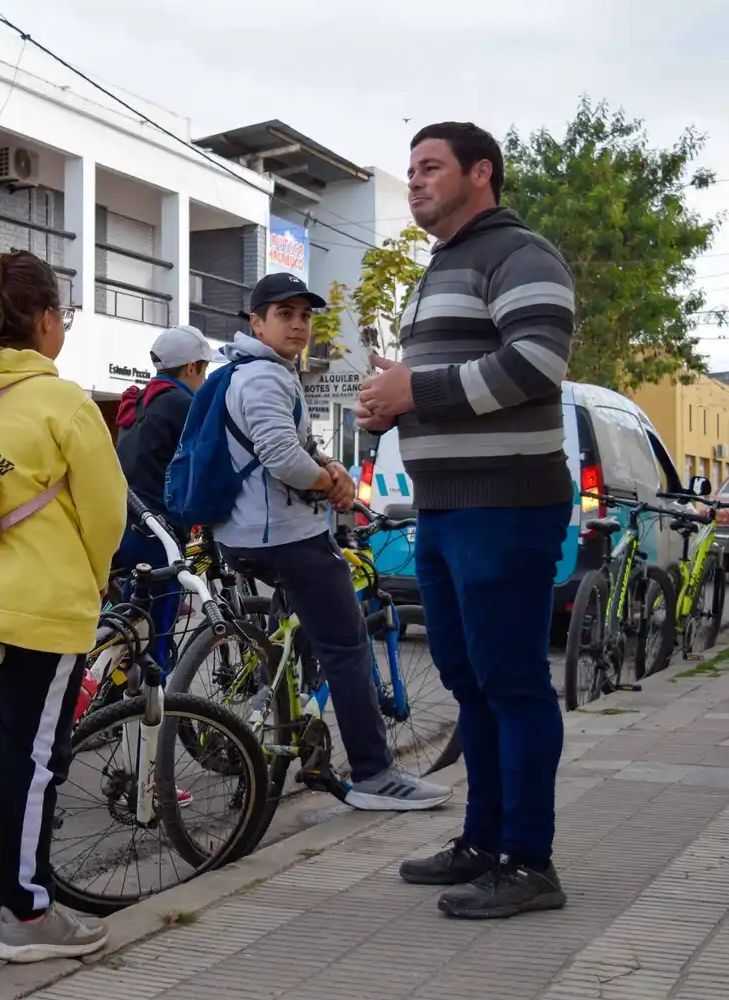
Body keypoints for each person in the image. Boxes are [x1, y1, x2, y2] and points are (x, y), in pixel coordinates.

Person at [358, 122, 575, 919]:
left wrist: (417, 390)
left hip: (507, 503)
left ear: (481, 173)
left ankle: (529, 861)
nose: (415, 180)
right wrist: (394, 400)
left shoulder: (520, 254)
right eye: (410, 167)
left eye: (431, 166)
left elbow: (537, 364)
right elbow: (452, 382)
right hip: (446, 507)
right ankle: (484, 842)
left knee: (512, 682)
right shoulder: (440, 267)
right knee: (468, 681)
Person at [0, 250, 126, 963]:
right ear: (42, 322)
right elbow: (106, 515)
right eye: (62, 316)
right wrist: (94, 578)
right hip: (39, 608)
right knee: (31, 760)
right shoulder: (62, 403)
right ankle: (26, 913)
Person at [219, 271, 452, 814]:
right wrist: (332, 484)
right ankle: (375, 775)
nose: (298, 325)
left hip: (250, 534)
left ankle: (288, 710)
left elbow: (291, 445)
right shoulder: (265, 377)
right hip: (287, 536)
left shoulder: (250, 370)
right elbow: (282, 456)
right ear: (256, 323)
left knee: (301, 631)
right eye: (285, 315)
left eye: (304, 316)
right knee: (347, 646)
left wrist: (328, 465)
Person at [112, 324, 217, 669]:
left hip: (123, 524)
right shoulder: (183, 403)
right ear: (192, 367)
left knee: (132, 620)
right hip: (156, 534)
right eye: (204, 369)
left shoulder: (144, 399)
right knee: (157, 634)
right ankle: (153, 695)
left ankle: (118, 679)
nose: (205, 378)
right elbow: (209, 461)